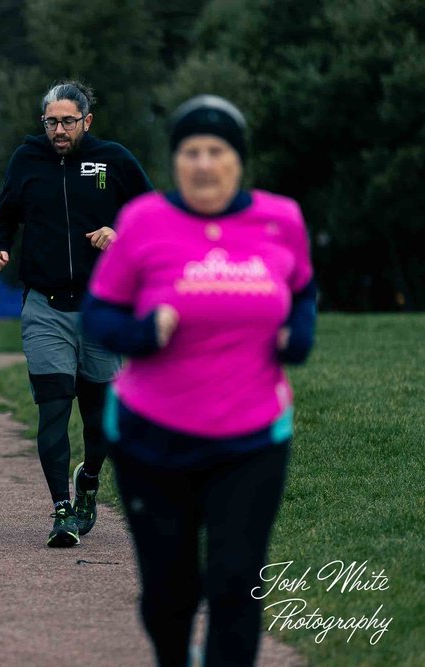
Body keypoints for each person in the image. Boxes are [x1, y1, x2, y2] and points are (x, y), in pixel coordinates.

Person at [83, 95, 316, 666]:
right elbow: (99, 315)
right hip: (151, 438)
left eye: (217, 151)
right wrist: (143, 333)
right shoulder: (143, 222)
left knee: (237, 582)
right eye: (192, 152)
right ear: (176, 160)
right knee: (170, 595)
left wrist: (298, 334)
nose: (204, 164)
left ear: (238, 160)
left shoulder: (280, 218)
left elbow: (304, 289)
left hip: (253, 436)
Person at [0, 81, 152, 547]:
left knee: (100, 422)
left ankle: (89, 480)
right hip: (45, 306)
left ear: (86, 121)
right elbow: (1, 216)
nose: (59, 130)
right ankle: (60, 509)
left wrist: (120, 233)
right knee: (53, 410)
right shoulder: (27, 160)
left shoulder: (113, 159)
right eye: (51, 122)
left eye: (68, 122)